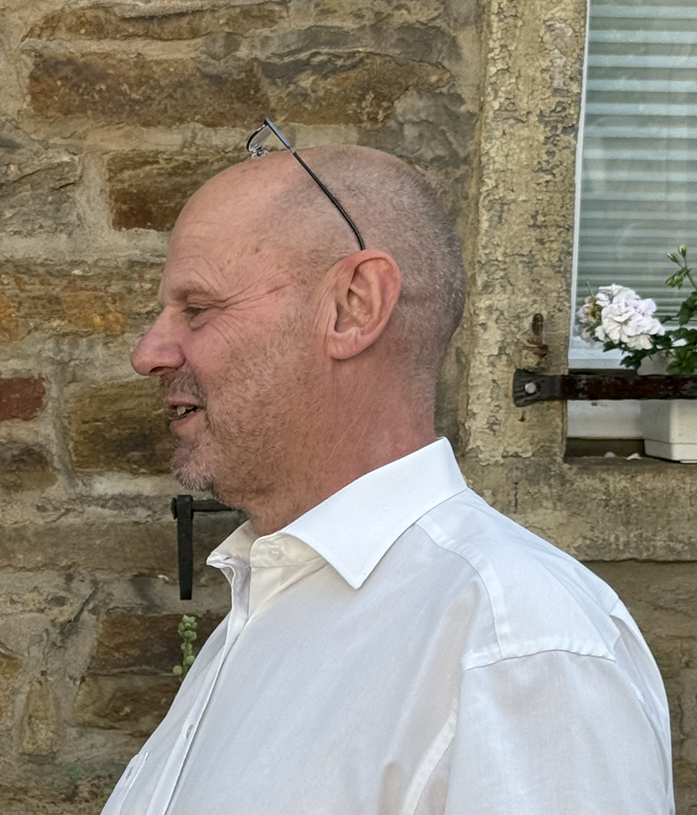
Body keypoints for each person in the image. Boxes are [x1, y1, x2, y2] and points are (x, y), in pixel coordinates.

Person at [103, 127, 672, 814]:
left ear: (354, 308)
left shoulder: (514, 643)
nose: (149, 352)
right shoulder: (275, 591)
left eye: (197, 308)